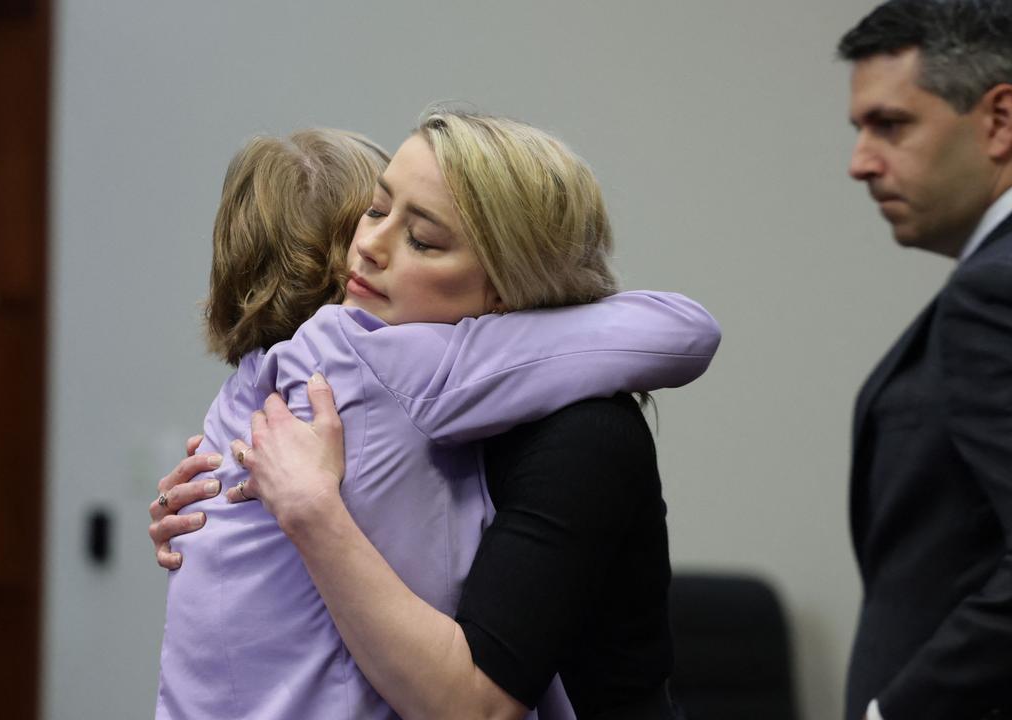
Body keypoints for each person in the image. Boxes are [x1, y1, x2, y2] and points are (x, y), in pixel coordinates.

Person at [153, 110, 715, 720]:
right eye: (375, 210)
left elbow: (475, 706)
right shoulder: (345, 377)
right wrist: (213, 515)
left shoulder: (581, 431)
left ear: (505, 288)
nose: (367, 246)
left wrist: (309, 511)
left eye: (422, 239)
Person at [838, 2, 1012, 719]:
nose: (860, 163)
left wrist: (897, 712)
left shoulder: (993, 291)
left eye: (891, 124)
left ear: (1000, 121)